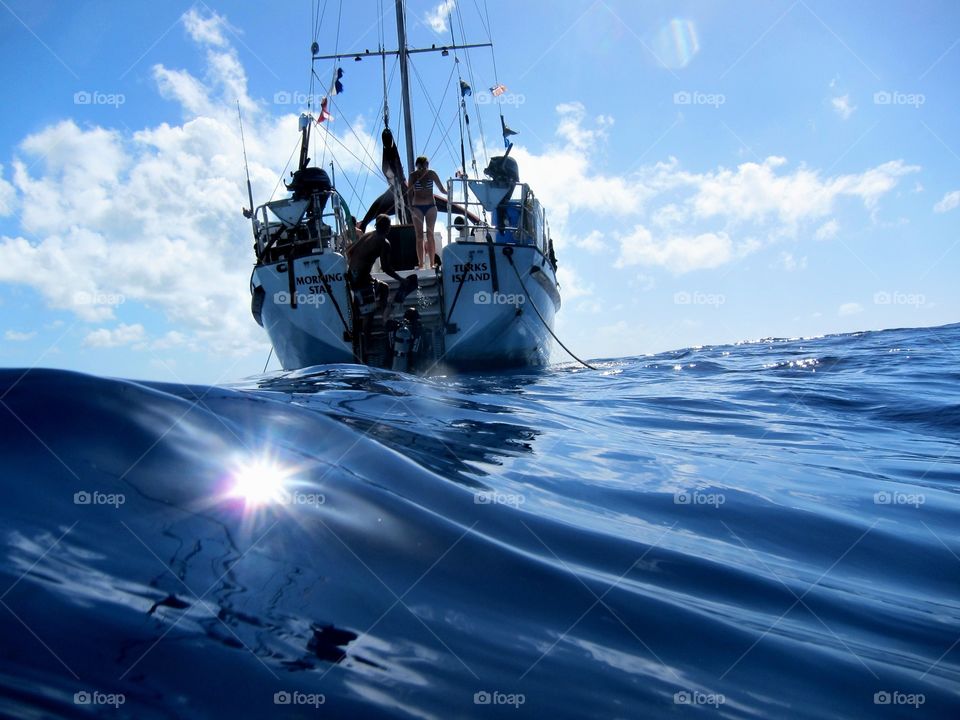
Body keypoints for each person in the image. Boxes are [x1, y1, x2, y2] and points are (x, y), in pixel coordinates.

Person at [346, 214, 415, 326]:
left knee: (384, 288)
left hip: (353, 275)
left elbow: (349, 251)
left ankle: (384, 319)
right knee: (369, 314)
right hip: (361, 279)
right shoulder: (384, 242)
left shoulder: (367, 235)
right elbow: (386, 268)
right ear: (388, 227)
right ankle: (366, 341)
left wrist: (355, 266)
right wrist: (401, 280)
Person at [407, 156, 445, 269]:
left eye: (424, 167)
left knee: (430, 234)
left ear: (427, 166)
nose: (422, 170)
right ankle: (421, 264)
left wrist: (448, 192)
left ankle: (432, 263)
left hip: (431, 207)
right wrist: (410, 207)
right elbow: (409, 193)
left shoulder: (432, 174)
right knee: (419, 235)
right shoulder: (412, 176)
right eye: (420, 167)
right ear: (417, 166)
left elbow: (441, 189)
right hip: (417, 207)